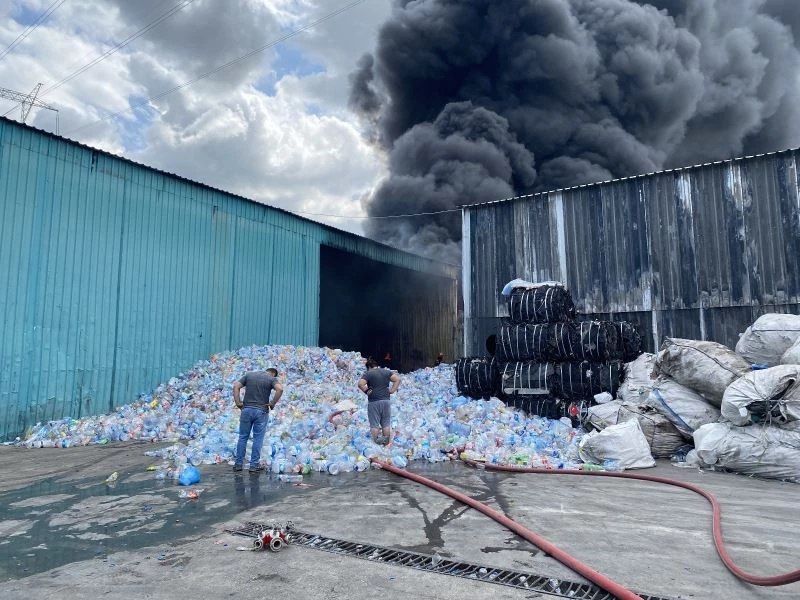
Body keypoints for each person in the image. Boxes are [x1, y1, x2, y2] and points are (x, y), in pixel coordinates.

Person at [232, 367, 283, 473]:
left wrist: (238, 402)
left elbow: (236, 386)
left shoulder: (249, 375)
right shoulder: (271, 379)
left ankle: (238, 464)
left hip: (246, 410)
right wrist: (273, 403)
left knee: (243, 437)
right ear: (273, 373)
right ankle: (253, 465)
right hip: (261, 411)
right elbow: (280, 389)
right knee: (258, 439)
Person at [358, 358, 400, 445]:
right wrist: (392, 390)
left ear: (369, 367)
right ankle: (386, 444)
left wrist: (367, 391)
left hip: (374, 401)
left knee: (374, 424)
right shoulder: (386, 372)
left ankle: (375, 445)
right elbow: (397, 379)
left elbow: (360, 384)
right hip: (386, 401)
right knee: (386, 424)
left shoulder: (368, 373)